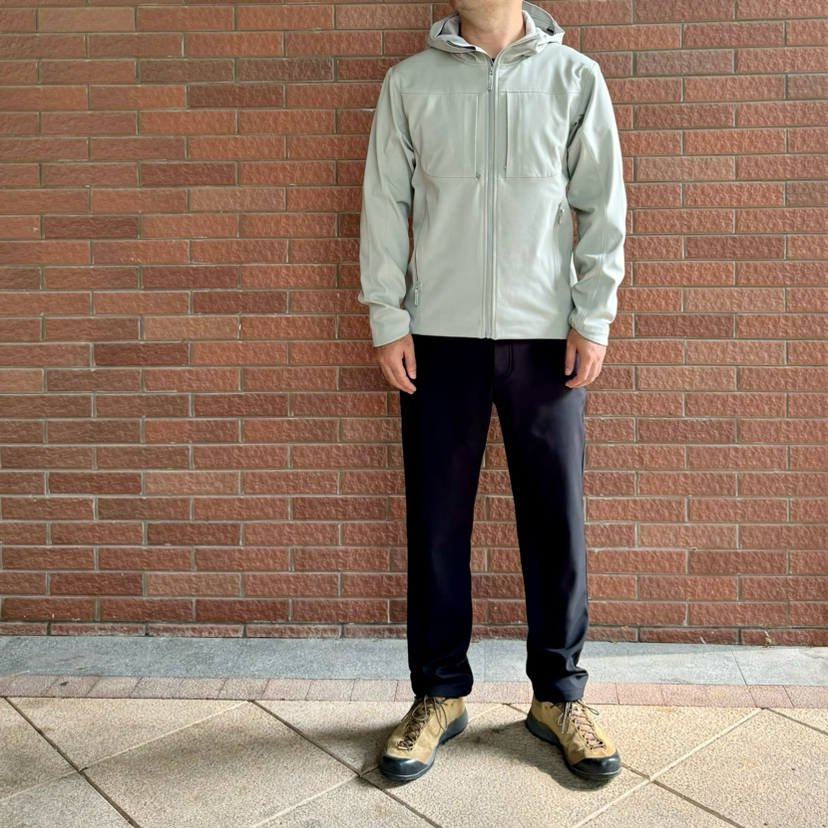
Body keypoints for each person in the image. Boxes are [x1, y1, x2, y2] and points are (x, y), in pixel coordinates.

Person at [357, 0, 627, 784]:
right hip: (437, 339)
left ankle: (559, 696)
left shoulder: (574, 78)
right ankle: (438, 693)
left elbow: (601, 205)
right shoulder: (409, 83)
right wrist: (387, 316)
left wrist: (593, 318)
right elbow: (385, 202)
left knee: (556, 519)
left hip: (547, 339)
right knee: (437, 522)